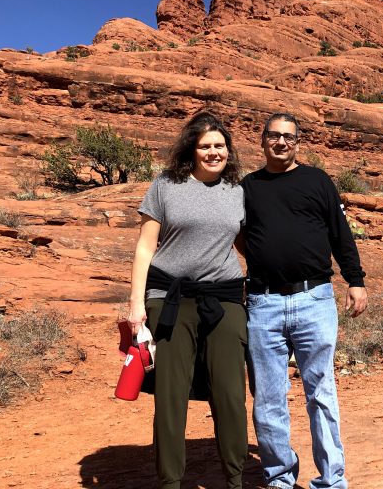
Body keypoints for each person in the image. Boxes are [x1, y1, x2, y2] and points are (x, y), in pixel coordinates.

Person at [241, 112, 368, 489]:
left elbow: (339, 233)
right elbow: (241, 236)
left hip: (314, 299)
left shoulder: (317, 180)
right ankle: (279, 478)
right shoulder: (248, 187)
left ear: (298, 142)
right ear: (262, 140)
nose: (281, 142)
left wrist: (355, 280)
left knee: (322, 393)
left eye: (289, 137)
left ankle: (331, 480)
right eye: (274, 136)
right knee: (267, 398)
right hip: (264, 303)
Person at [127, 110, 248, 489]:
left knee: (230, 394)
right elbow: (146, 246)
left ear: (229, 150)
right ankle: (170, 482)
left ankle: (236, 479)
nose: (214, 152)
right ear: (192, 150)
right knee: (170, 396)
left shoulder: (239, 191)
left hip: (225, 299)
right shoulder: (166, 185)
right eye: (205, 146)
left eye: (220, 146)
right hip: (170, 299)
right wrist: (135, 304)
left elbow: (249, 245)